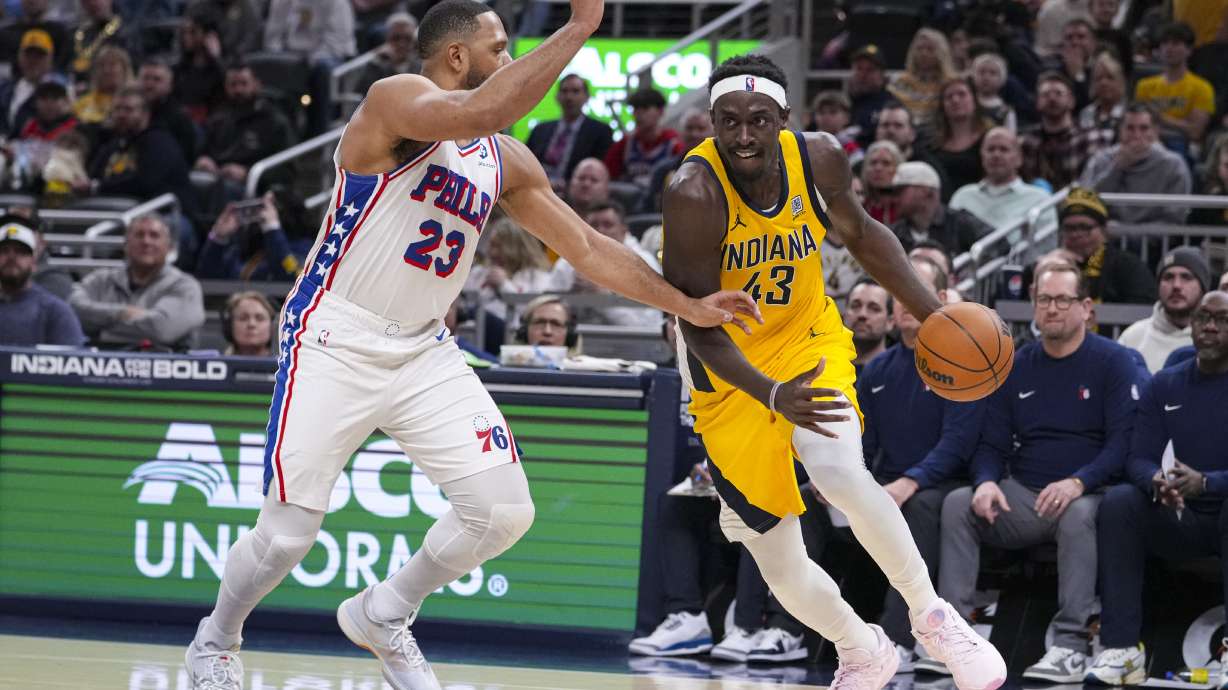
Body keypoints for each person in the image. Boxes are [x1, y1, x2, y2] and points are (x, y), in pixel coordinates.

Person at [180, 4, 757, 690]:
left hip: (424, 350)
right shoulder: (394, 102)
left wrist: (687, 304)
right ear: (458, 58)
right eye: (501, 49)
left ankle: (385, 612)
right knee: (285, 535)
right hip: (334, 335)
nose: (511, 60)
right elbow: (480, 111)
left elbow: (587, 247)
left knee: (504, 512)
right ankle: (215, 640)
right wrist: (576, 30)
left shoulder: (503, 158)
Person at [662, 53, 1005, 690]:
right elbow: (696, 324)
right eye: (727, 122)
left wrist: (935, 315)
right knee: (781, 564)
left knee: (842, 469)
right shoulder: (693, 193)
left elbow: (864, 234)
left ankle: (932, 616)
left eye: (758, 121)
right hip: (728, 371)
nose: (742, 136)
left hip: (804, 338)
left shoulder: (818, 159)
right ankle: (861, 647)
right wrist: (768, 394)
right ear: (710, 124)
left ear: (784, 120)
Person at [932, 264, 1139, 683]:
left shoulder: (1114, 361)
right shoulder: (1017, 364)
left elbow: (1123, 445)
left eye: (1063, 300)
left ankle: (1070, 645)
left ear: (1085, 307)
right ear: (1033, 305)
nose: (1053, 309)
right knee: (958, 504)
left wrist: (1079, 481)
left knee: (1080, 515)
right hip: (1025, 495)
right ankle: (955, 641)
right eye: (1044, 299)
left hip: (1087, 494)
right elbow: (990, 443)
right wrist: (987, 480)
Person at [1086, 290, 1228, 686]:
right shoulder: (1165, 383)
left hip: (1224, 511)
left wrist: (1208, 482)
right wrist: (1156, 481)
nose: (1210, 327)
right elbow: (1137, 456)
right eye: (1202, 318)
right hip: (1179, 513)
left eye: (1221, 319)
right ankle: (1121, 649)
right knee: (1120, 501)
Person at [860, 256, 984, 671]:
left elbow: (958, 444)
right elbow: (863, 443)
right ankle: (783, 631)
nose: (904, 301)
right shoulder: (878, 368)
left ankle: (898, 641)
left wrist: (908, 482)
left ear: (942, 298)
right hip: (892, 483)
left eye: (914, 288)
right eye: (897, 291)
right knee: (806, 507)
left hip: (944, 484)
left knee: (920, 506)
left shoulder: (962, 360)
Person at [69, 214, 204, 351]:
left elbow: (161, 329)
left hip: (164, 367)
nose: (146, 241)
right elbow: (73, 311)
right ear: (125, 245)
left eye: (154, 235)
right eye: (139, 235)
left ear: (169, 247)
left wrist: (100, 332)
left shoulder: (185, 286)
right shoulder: (100, 280)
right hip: (102, 368)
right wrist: (122, 312)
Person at [1079, 104, 1191, 224]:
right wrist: (1117, 168)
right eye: (1130, 128)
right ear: (1120, 130)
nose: (1136, 136)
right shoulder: (1101, 159)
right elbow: (1085, 204)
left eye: (1144, 128)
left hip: (1155, 240)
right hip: (1103, 236)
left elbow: (1174, 218)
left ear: (1155, 131)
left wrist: (1128, 234)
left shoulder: (1173, 164)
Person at [1053, 186, 1154, 305]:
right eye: (1070, 228)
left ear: (1104, 231)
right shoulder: (1050, 265)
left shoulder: (1128, 267)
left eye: (1085, 227)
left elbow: (1142, 307)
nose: (1076, 234)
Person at [1118, 247, 1209, 373]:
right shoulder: (1133, 336)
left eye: (1186, 277)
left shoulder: (1214, 337)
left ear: (1203, 288)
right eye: (1168, 277)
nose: (1176, 285)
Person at [949, 127, 1056, 234]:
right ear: (982, 157)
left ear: (1019, 159)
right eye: (990, 149)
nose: (996, 155)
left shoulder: (1039, 199)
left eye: (1004, 149)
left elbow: (1047, 246)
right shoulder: (962, 197)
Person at [1019, 71, 1113, 189]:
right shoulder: (1025, 143)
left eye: (1059, 93)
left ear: (1071, 101)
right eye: (1046, 94)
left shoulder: (1093, 138)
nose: (1052, 98)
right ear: (1037, 102)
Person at [0, 217, 85, 347]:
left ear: (34, 262)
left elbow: (73, 361)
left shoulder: (55, 311)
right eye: (4, 251)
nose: (12, 257)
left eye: (20, 252)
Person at [1133, 21, 1214, 147]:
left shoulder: (1202, 88)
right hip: (1147, 144)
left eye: (1176, 43)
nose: (1169, 48)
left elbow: (1195, 131)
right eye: (1165, 43)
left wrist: (1160, 118)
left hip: (1182, 146)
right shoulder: (1144, 86)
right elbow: (1136, 124)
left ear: (1189, 50)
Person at [526, 74, 613, 186]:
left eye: (575, 91)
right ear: (557, 97)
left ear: (587, 97)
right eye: (564, 91)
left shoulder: (601, 131)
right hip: (538, 188)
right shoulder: (540, 130)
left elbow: (600, 172)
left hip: (576, 192)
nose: (569, 97)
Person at [889, 161, 989, 256]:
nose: (894, 199)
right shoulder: (894, 233)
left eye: (900, 191)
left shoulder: (960, 223)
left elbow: (996, 244)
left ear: (926, 191)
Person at [604, 87, 681, 188]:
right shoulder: (626, 144)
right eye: (635, 109)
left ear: (661, 111)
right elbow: (606, 175)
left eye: (645, 108)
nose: (638, 114)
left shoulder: (674, 144)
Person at [929, 77, 992, 199]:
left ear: (974, 100)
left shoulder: (989, 140)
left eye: (962, 94)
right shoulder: (932, 145)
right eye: (949, 97)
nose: (955, 100)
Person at [888, 29, 957, 128]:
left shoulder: (951, 83)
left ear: (941, 53)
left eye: (930, 49)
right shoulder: (900, 81)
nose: (924, 53)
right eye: (919, 49)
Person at [356, 13, 422, 94]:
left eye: (407, 38)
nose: (402, 44)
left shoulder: (422, 65)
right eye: (396, 38)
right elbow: (363, 94)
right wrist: (378, 63)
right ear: (387, 38)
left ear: (414, 41)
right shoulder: (377, 64)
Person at [847, 44, 890, 148]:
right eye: (859, 69)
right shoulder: (844, 103)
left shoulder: (889, 106)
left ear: (882, 75)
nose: (863, 75)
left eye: (870, 70)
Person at [845, 279, 893, 370]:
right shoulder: (823, 369)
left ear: (890, 322)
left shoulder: (900, 374)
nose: (862, 314)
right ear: (844, 314)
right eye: (855, 306)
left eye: (874, 308)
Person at [1077, 53, 1127, 135]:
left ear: (1120, 82)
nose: (1103, 83)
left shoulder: (1129, 113)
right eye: (1099, 78)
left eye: (1110, 77)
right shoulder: (1085, 114)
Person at [222, 290, 275, 356]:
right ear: (229, 326)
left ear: (271, 326)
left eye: (259, 318)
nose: (251, 324)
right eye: (243, 318)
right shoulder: (211, 364)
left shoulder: (288, 365)